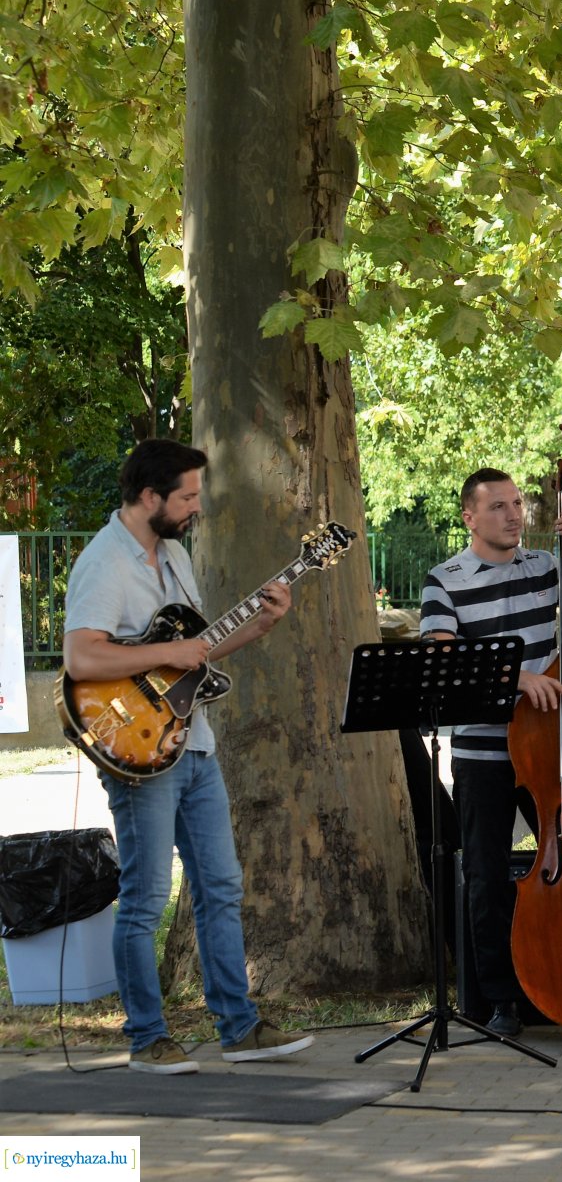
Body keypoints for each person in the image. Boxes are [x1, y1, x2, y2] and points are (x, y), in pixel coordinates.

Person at [63, 439, 313, 1074]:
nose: (197, 507)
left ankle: (240, 1028)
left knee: (221, 887)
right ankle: (147, 1039)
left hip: (194, 743)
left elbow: (193, 658)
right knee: (146, 898)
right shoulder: (104, 562)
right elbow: (82, 656)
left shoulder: (174, 555)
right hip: (137, 747)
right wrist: (166, 653)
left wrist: (260, 624)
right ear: (150, 497)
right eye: (188, 497)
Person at [418, 468, 562, 1038]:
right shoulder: (445, 581)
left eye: (516, 503)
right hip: (484, 754)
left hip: (550, 749)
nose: (513, 514)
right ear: (469, 516)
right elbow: (443, 659)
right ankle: (501, 1001)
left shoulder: (546, 566)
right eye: (498, 506)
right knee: (487, 877)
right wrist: (519, 679)